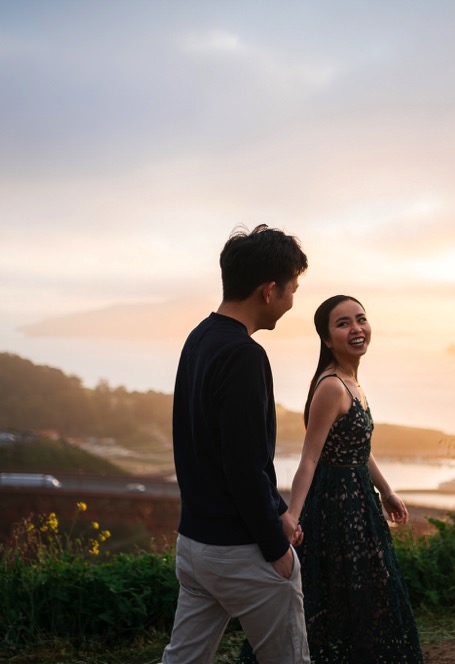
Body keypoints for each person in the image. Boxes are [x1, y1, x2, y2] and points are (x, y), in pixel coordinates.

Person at [162, 225, 310, 664]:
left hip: (194, 545)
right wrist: (275, 547)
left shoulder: (199, 338)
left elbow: (210, 449)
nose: (291, 301)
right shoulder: (245, 355)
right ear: (269, 290)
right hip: (239, 551)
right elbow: (244, 466)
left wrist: (279, 512)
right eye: (292, 290)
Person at [277, 295, 424, 662]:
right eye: (343, 324)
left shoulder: (352, 381)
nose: (356, 329)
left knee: (366, 593)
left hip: (361, 502)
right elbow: (309, 458)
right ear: (327, 339)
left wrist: (386, 490)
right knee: (345, 597)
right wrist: (291, 517)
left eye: (361, 319)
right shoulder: (331, 387)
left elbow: (359, 447)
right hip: (336, 508)